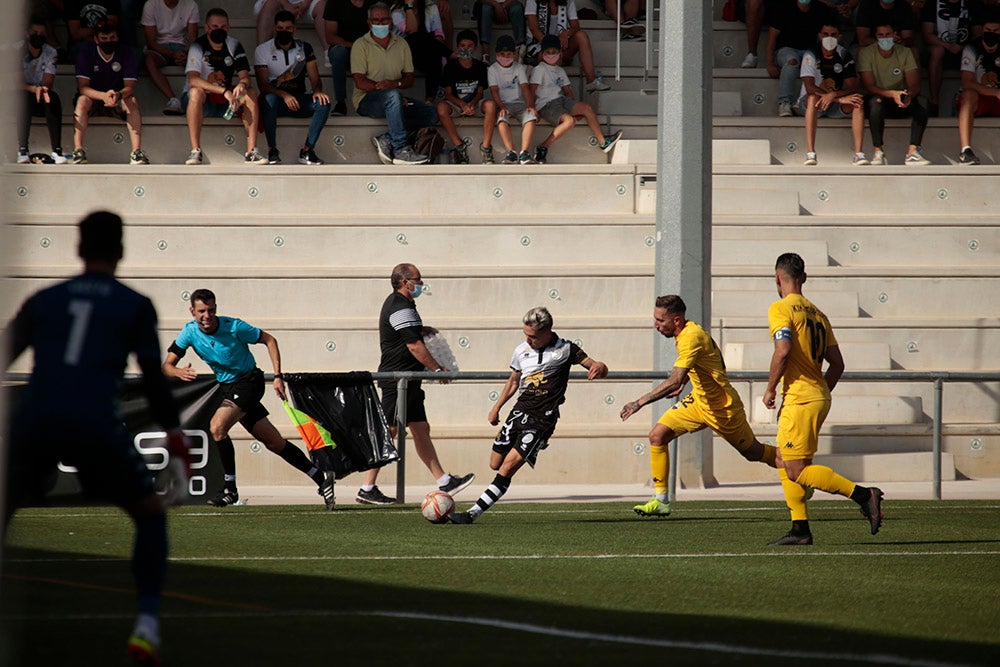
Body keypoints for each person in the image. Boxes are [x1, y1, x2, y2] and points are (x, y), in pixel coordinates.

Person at [2, 210, 192, 665]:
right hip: (93, 420)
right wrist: (174, 434)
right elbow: (152, 375)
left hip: (35, 417)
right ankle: (146, 626)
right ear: (121, 249)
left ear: (79, 248)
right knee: (148, 516)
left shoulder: (45, 298)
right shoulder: (133, 303)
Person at [161, 288, 336, 510]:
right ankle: (322, 478)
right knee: (274, 442)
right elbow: (166, 366)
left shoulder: (234, 327)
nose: (207, 316)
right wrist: (177, 372)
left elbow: (270, 340)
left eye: (211, 310)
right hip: (228, 387)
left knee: (217, 427)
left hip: (249, 382)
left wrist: (278, 377)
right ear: (192, 312)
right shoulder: (189, 333)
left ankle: (230, 490)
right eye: (202, 311)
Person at [763, 252, 884, 545]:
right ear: (803, 278)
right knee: (784, 459)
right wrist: (820, 391)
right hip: (817, 395)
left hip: (800, 399)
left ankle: (864, 495)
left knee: (795, 469)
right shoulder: (819, 314)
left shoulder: (781, 308)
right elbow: (838, 364)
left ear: (778, 278)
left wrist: (770, 388)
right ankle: (800, 529)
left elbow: (783, 350)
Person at [620, 295, 779, 518]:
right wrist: (685, 383)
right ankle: (661, 500)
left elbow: (674, 379)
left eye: (660, 320)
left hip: (723, 409)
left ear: (676, 320)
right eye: (655, 319)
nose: (656, 325)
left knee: (754, 453)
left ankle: (798, 471)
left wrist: (639, 402)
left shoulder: (690, 337)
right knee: (657, 436)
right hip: (698, 402)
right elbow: (706, 361)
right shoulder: (689, 331)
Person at [448, 307, 607, 524]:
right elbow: (514, 381)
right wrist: (497, 407)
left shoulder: (566, 349)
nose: (528, 340)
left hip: (542, 419)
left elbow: (597, 365)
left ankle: (472, 513)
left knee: (507, 468)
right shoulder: (521, 350)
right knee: (495, 463)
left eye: (533, 336)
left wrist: (600, 367)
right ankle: (523, 453)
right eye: (526, 334)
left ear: (548, 331)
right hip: (518, 413)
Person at [360, 263, 475, 505]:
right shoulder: (398, 305)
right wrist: (436, 369)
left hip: (409, 380)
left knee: (421, 428)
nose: (420, 284)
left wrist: (421, 329)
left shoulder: (405, 306)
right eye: (418, 279)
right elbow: (413, 345)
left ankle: (444, 481)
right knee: (389, 430)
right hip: (396, 379)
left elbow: (407, 333)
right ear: (405, 282)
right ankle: (367, 487)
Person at [352, 2, 439, 164]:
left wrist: (394, 86)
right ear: (369, 22)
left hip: (394, 97)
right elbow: (360, 82)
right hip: (366, 100)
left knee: (431, 114)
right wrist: (387, 91)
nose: (380, 23)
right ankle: (401, 150)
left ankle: (387, 138)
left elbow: (409, 79)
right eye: (376, 20)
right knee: (392, 96)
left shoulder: (402, 44)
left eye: (384, 20)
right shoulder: (360, 45)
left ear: (391, 22)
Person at [183, 7, 267, 165]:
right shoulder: (197, 46)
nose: (219, 30)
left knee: (250, 93)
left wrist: (242, 85)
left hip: (226, 101)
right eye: (215, 27)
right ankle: (195, 151)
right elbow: (193, 80)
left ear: (228, 27)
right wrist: (224, 92)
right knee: (195, 92)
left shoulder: (234, 45)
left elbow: (245, 77)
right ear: (207, 27)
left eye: (223, 27)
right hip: (201, 101)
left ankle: (251, 152)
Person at [529, 34, 622, 164]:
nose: (551, 55)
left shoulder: (560, 70)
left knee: (586, 108)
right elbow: (532, 90)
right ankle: (543, 147)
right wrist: (532, 108)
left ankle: (603, 142)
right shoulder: (539, 69)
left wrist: (574, 107)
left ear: (560, 53)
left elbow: (568, 91)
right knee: (569, 121)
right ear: (542, 53)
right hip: (546, 104)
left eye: (554, 52)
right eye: (548, 52)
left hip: (561, 101)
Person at [255, 9, 332, 165]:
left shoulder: (305, 48)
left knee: (323, 103)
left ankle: (307, 150)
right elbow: (263, 85)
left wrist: (317, 91)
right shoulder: (262, 50)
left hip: (299, 99)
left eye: (288, 28)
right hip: (275, 100)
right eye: (280, 28)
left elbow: (315, 79)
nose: (284, 31)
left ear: (294, 29)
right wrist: (284, 95)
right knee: (269, 99)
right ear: (274, 29)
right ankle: (272, 150)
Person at [72, 21, 148, 165]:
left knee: (131, 101)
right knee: (82, 100)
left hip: (117, 98)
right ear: (96, 39)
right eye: (104, 38)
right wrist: (103, 96)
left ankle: (136, 152)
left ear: (117, 38)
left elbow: (130, 87)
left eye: (112, 37)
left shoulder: (126, 53)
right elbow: (83, 87)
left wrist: (117, 95)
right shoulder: (86, 53)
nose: (108, 41)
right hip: (94, 98)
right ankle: (78, 151)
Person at [857, 22, 931, 164]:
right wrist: (892, 94)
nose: (885, 38)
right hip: (879, 98)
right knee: (875, 103)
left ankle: (913, 151)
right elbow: (869, 86)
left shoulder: (905, 52)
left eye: (888, 34)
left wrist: (908, 96)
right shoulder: (866, 53)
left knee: (922, 102)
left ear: (894, 35)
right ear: (876, 37)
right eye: (880, 35)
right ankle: (878, 151)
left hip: (899, 98)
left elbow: (914, 84)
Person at [798, 21, 868, 165]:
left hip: (834, 101)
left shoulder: (843, 54)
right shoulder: (810, 54)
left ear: (839, 37)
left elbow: (853, 86)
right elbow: (810, 87)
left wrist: (834, 96)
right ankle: (811, 153)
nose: (829, 38)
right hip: (813, 103)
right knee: (812, 98)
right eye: (825, 34)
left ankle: (858, 154)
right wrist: (836, 98)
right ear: (819, 35)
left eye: (833, 35)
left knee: (857, 101)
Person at [766, 0, 834, 117]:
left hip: (810, 51)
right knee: (792, 61)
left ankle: (801, 102)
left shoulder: (820, 9)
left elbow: (828, 32)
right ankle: (784, 102)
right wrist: (769, 63)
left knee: (815, 62)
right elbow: (772, 37)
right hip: (786, 50)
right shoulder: (783, 7)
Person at [525, 0, 610, 92]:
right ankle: (554, 93)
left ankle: (591, 81)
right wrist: (552, 46)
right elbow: (533, 28)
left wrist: (567, 34)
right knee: (550, 55)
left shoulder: (567, 1)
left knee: (581, 36)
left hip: (561, 46)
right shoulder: (533, 1)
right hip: (539, 47)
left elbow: (575, 26)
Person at [437, 29, 491, 163]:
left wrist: (471, 104)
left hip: (474, 104)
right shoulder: (450, 67)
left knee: (490, 105)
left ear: (476, 48)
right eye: (462, 46)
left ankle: (486, 147)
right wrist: (462, 105)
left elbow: (480, 92)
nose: (466, 49)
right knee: (441, 108)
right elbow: (448, 94)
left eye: (469, 46)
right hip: (456, 104)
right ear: (457, 47)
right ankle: (459, 146)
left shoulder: (480, 67)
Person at [18, 16, 67, 164]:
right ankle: (22, 149)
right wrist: (34, 89)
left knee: (52, 98)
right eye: (35, 32)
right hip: (19, 95)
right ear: (27, 33)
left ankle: (57, 150)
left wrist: (42, 90)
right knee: (23, 99)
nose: (38, 36)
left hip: (40, 93)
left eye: (42, 33)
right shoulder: (15, 50)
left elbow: (48, 82)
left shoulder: (50, 52)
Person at [141, 0, 199, 116]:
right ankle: (173, 99)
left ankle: (189, 99)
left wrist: (184, 53)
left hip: (181, 46)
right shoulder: (151, 4)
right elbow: (151, 42)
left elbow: (193, 39)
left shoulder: (191, 4)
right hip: (159, 47)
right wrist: (172, 54)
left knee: (197, 58)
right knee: (149, 60)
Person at [485, 34, 537, 164]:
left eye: (509, 54)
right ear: (496, 54)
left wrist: (530, 106)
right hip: (502, 104)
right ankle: (511, 152)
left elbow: (525, 88)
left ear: (514, 54)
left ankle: (524, 153)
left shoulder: (519, 68)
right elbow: (494, 90)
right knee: (502, 119)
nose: (506, 57)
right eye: (502, 54)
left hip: (519, 103)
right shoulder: (492, 69)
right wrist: (501, 107)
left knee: (530, 118)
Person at [956, 10, 1000, 163]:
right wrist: (994, 92)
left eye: (996, 31)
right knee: (968, 94)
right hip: (980, 99)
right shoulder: (971, 48)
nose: (991, 34)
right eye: (988, 30)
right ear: (982, 30)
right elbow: (967, 82)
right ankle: (966, 151)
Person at [391, 0, 452, 103]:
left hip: (425, 54)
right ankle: (450, 53)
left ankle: (429, 100)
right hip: (405, 54)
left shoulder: (431, 8)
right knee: (416, 36)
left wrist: (434, 47)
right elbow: (411, 30)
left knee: (434, 54)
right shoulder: (397, 12)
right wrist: (409, 7)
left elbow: (439, 34)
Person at [324, 0, 375, 116]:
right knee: (338, 53)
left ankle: (373, 101)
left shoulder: (374, 2)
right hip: (344, 48)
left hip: (369, 47)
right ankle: (340, 102)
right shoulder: (335, 2)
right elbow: (330, 36)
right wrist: (356, 47)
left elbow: (380, 28)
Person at [922, 0, 972, 115]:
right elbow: (927, 35)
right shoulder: (932, 4)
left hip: (963, 48)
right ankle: (934, 102)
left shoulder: (971, 4)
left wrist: (961, 46)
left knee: (971, 50)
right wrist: (948, 46)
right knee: (937, 51)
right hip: (941, 47)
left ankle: (968, 100)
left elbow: (977, 33)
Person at [255, 0, 330, 66]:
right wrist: (286, 5)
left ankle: (329, 53)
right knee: (271, 4)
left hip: (306, 2)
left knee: (321, 6)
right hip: (278, 2)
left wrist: (306, 3)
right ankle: (262, 55)